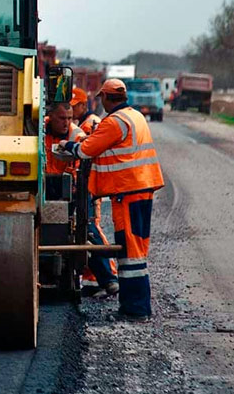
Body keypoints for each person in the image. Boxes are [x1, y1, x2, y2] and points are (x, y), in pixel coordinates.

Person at [62, 78, 164, 319]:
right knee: (136, 249)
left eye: (102, 98)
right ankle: (136, 307)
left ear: (106, 98)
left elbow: (86, 150)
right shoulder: (135, 116)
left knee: (130, 253)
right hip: (141, 187)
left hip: (128, 191)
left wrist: (67, 145)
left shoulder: (115, 122)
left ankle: (135, 309)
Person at [71, 86, 119, 294]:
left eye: (74, 107)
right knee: (84, 230)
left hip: (89, 184)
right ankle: (93, 279)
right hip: (83, 183)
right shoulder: (80, 124)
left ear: (83, 105)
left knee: (91, 229)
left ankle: (110, 276)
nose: (70, 111)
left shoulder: (91, 125)